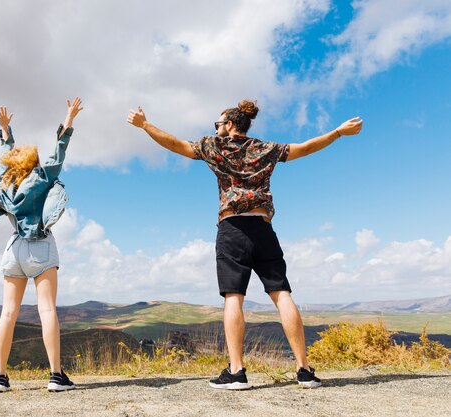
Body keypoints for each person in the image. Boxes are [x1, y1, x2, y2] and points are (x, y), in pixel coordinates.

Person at [127, 100, 363, 389]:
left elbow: (176, 145)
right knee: (282, 294)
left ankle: (237, 372)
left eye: (217, 124)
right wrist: (337, 132)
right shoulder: (265, 149)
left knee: (233, 297)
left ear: (228, 125)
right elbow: (306, 148)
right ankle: (304, 370)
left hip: (232, 228)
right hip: (263, 228)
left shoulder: (215, 146)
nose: (215, 128)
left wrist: (145, 125)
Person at [0, 98, 83, 393]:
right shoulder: (41, 176)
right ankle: (56, 375)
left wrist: (5, 131)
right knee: (47, 311)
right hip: (40, 244)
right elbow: (59, 149)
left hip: (13, 248)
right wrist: (69, 117)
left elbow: (7, 154)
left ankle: (0, 378)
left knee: (7, 314)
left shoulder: (7, 181)